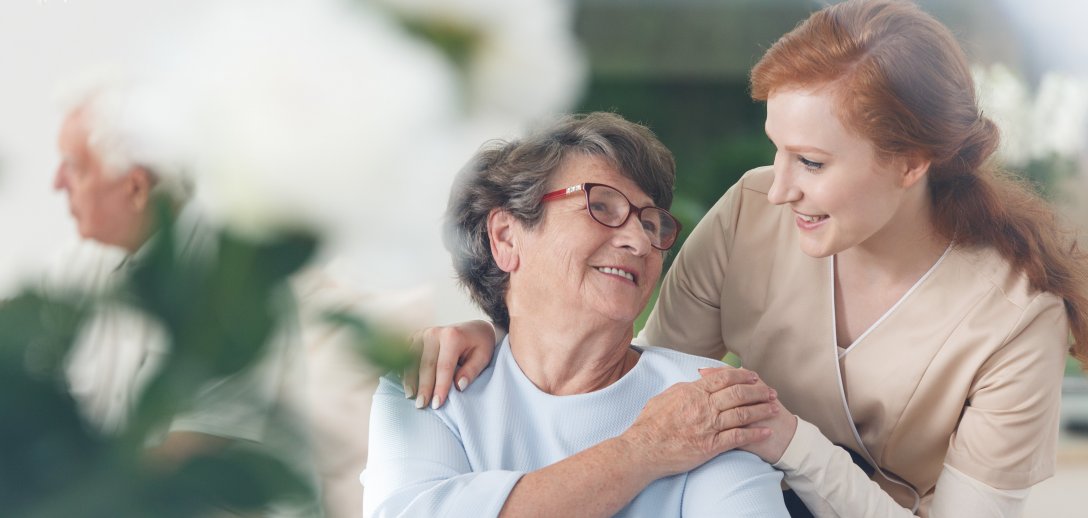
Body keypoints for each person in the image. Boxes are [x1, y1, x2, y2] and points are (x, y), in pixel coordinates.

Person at [407, 1, 1088, 516]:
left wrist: (791, 442)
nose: (780, 185)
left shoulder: (1016, 319)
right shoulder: (752, 210)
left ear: (911, 163)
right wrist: (503, 333)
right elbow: (632, 384)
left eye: (813, 162)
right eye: (777, 148)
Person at [363, 112, 789, 517]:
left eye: (650, 222)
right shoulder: (429, 382)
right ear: (506, 237)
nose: (640, 243)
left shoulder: (706, 401)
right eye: (602, 206)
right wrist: (645, 449)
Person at [52, 81, 318, 516]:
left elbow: (191, 454)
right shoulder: (86, 261)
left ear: (136, 188)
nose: (57, 184)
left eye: (73, 167)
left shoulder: (230, 276)